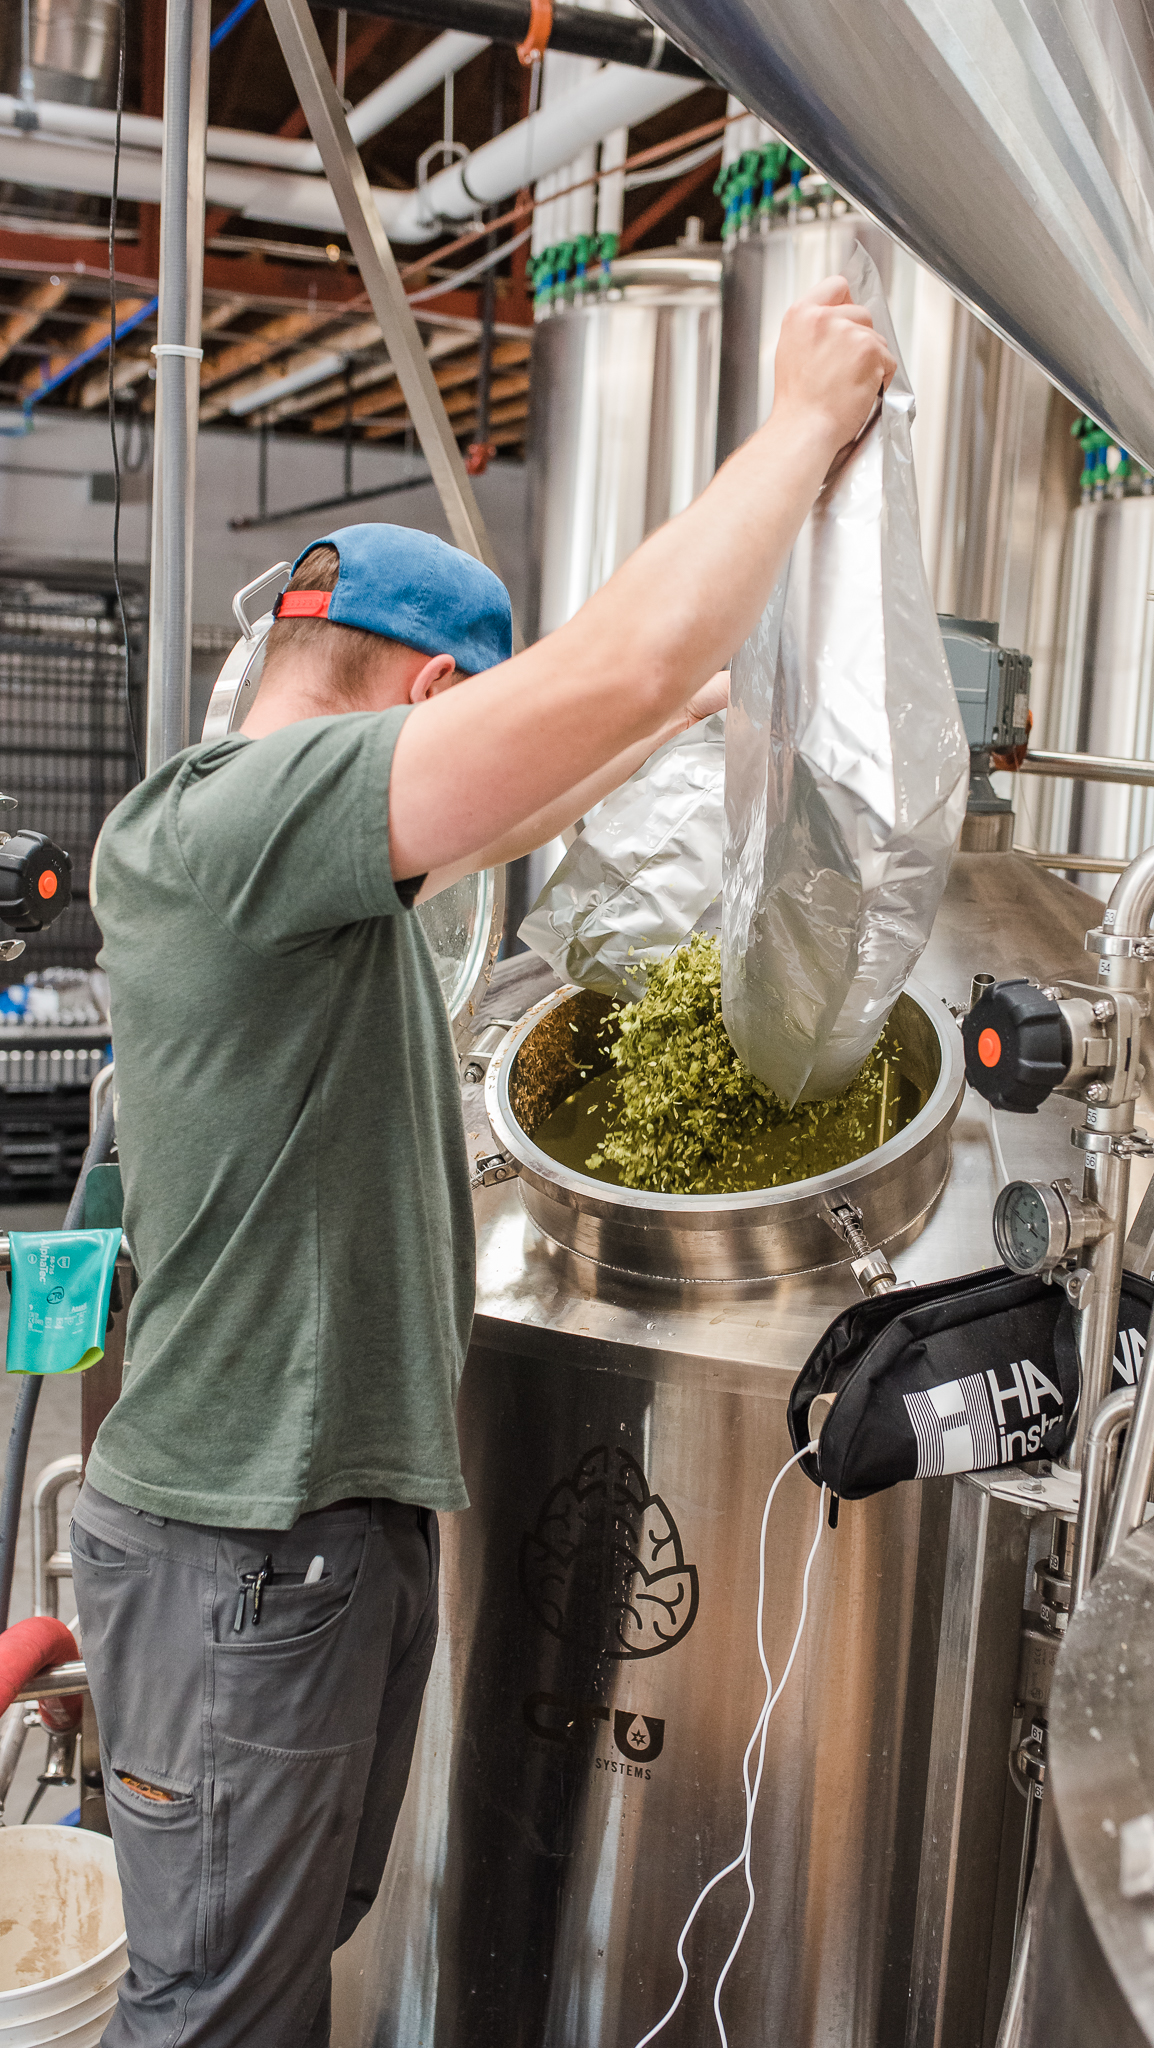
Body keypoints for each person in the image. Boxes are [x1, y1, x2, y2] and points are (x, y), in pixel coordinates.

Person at [70, 274, 894, 2046]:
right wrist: (802, 428)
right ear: (427, 692)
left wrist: (650, 745)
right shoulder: (235, 820)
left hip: (317, 1540)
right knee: (212, 2007)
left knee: (283, 1967)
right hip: (244, 1550)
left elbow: (523, 791)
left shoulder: (293, 871)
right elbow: (619, 665)